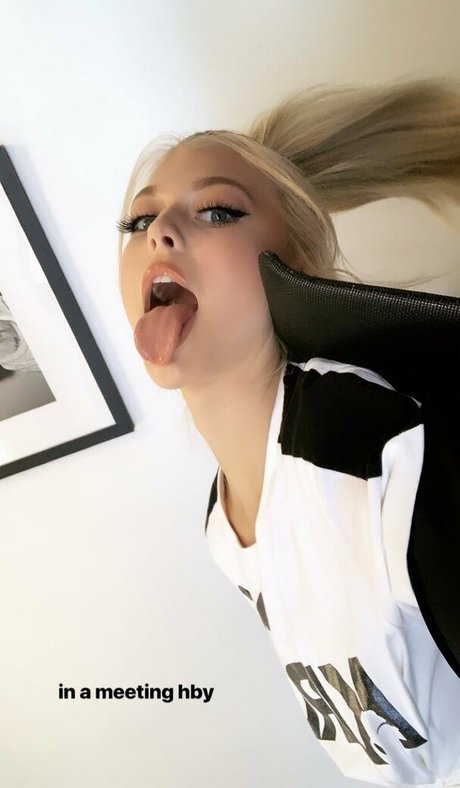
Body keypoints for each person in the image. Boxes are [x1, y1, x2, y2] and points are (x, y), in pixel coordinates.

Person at [117, 77, 460, 786]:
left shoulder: (376, 447)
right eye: (138, 220)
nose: (158, 232)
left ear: (294, 263)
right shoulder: (223, 526)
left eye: (217, 211)